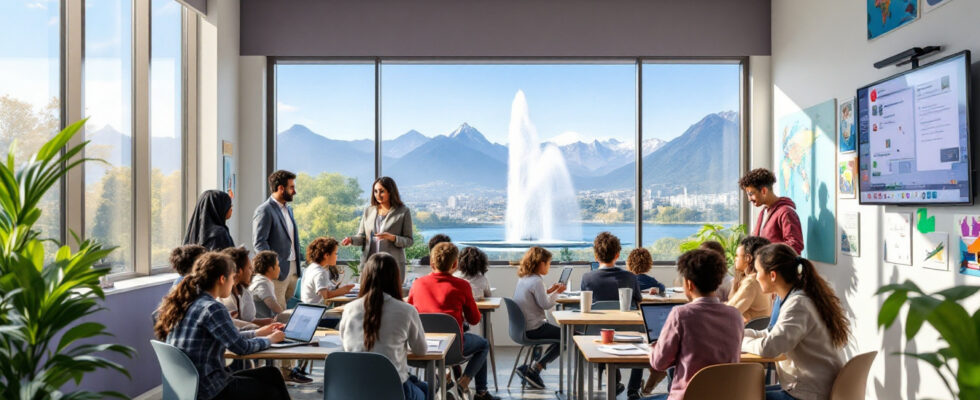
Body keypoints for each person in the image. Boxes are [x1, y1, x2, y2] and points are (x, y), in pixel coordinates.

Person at [154, 252, 289, 400]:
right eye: (232, 278)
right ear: (222, 279)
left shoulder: (187, 302)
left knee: (271, 374)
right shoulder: (213, 308)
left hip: (188, 387)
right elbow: (241, 348)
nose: (233, 283)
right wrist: (270, 339)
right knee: (271, 390)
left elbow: (227, 337)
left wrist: (257, 333)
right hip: (210, 390)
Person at [742, 244, 850, 400]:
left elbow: (769, 347)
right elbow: (771, 334)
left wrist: (741, 342)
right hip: (814, 386)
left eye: (757, 271)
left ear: (772, 275)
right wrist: (740, 334)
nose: (755, 276)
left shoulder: (798, 304)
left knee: (743, 395)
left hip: (810, 392)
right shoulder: (794, 297)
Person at [644, 249, 744, 400]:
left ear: (689, 284)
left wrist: (652, 348)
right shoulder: (735, 315)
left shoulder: (681, 314)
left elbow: (659, 363)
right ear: (718, 282)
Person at [407, 243, 499, 400]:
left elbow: (409, 315)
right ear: (455, 264)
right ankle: (471, 387)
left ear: (431, 263)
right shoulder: (462, 285)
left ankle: (449, 381)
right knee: (483, 344)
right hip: (454, 350)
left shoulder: (417, 284)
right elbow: (475, 319)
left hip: (423, 348)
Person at [339, 252, 428, 400]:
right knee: (425, 388)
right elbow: (421, 350)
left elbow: (345, 345)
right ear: (396, 278)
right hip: (393, 390)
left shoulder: (349, 309)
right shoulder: (406, 310)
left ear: (365, 277)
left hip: (354, 389)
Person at [581, 232, 644, 399]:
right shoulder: (630, 277)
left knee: (597, 335)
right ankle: (633, 390)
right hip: (630, 332)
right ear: (618, 255)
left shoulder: (587, 277)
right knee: (644, 336)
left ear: (595, 255)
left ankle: (612, 379)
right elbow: (639, 301)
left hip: (598, 333)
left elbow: (586, 305)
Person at [342, 177, 414, 284]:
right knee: (369, 297)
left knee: (390, 297)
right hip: (370, 265)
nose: (378, 195)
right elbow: (362, 237)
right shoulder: (368, 211)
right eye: (375, 191)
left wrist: (392, 238)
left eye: (382, 191)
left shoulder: (403, 212)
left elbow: (409, 241)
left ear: (390, 191)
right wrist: (351, 240)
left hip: (391, 265)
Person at [512, 246, 565, 390]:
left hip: (521, 329)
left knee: (563, 336)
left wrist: (549, 291)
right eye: (548, 263)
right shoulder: (537, 281)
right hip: (535, 328)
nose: (549, 266)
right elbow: (546, 304)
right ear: (541, 263)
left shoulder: (524, 279)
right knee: (567, 337)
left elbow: (535, 297)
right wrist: (558, 293)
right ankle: (536, 368)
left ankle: (533, 368)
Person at [252, 170, 303, 313]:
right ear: (281, 188)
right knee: (279, 312)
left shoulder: (289, 209)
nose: (295, 191)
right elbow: (259, 243)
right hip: (278, 271)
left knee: (286, 309)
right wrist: (273, 266)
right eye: (291, 187)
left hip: (293, 269)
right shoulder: (264, 210)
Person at [739, 168, 804, 254]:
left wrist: (767, 254)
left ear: (764, 191)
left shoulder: (786, 212)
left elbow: (795, 245)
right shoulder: (763, 213)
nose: (749, 199)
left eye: (751, 194)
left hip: (777, 267)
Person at [219, 247, 274, 329]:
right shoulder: (224, 295)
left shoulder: (243, 290)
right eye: (249, 268)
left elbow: (249, 320)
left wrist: (272, 322)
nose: (252, 272)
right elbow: (236, 325)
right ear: (240, 271)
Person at [727, 236, 772, 323]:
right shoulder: (766, 279)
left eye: (737, 256)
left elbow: (730, 312)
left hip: (747, 333)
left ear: (748, 258)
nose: (734, 259)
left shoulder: (751, 282)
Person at [301, 237, 355, 304]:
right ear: (326, 255)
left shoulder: (311, 267)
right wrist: (344, 290)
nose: (336, 256)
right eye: (335, 253)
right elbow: (325, 296)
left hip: (305, 307)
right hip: (316, 310)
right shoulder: (320, 272)